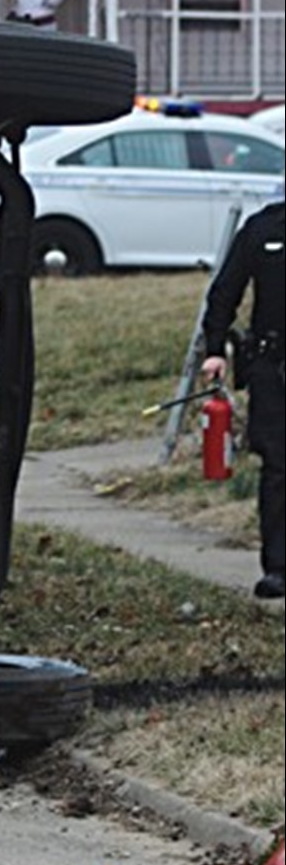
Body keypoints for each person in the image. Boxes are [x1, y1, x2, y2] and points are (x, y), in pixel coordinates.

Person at [199, 200, 284, 600]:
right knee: (278, 464)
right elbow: (226, 290)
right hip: (273, 362)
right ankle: (279, 567)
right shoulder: (264, 227)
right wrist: (214, 349)